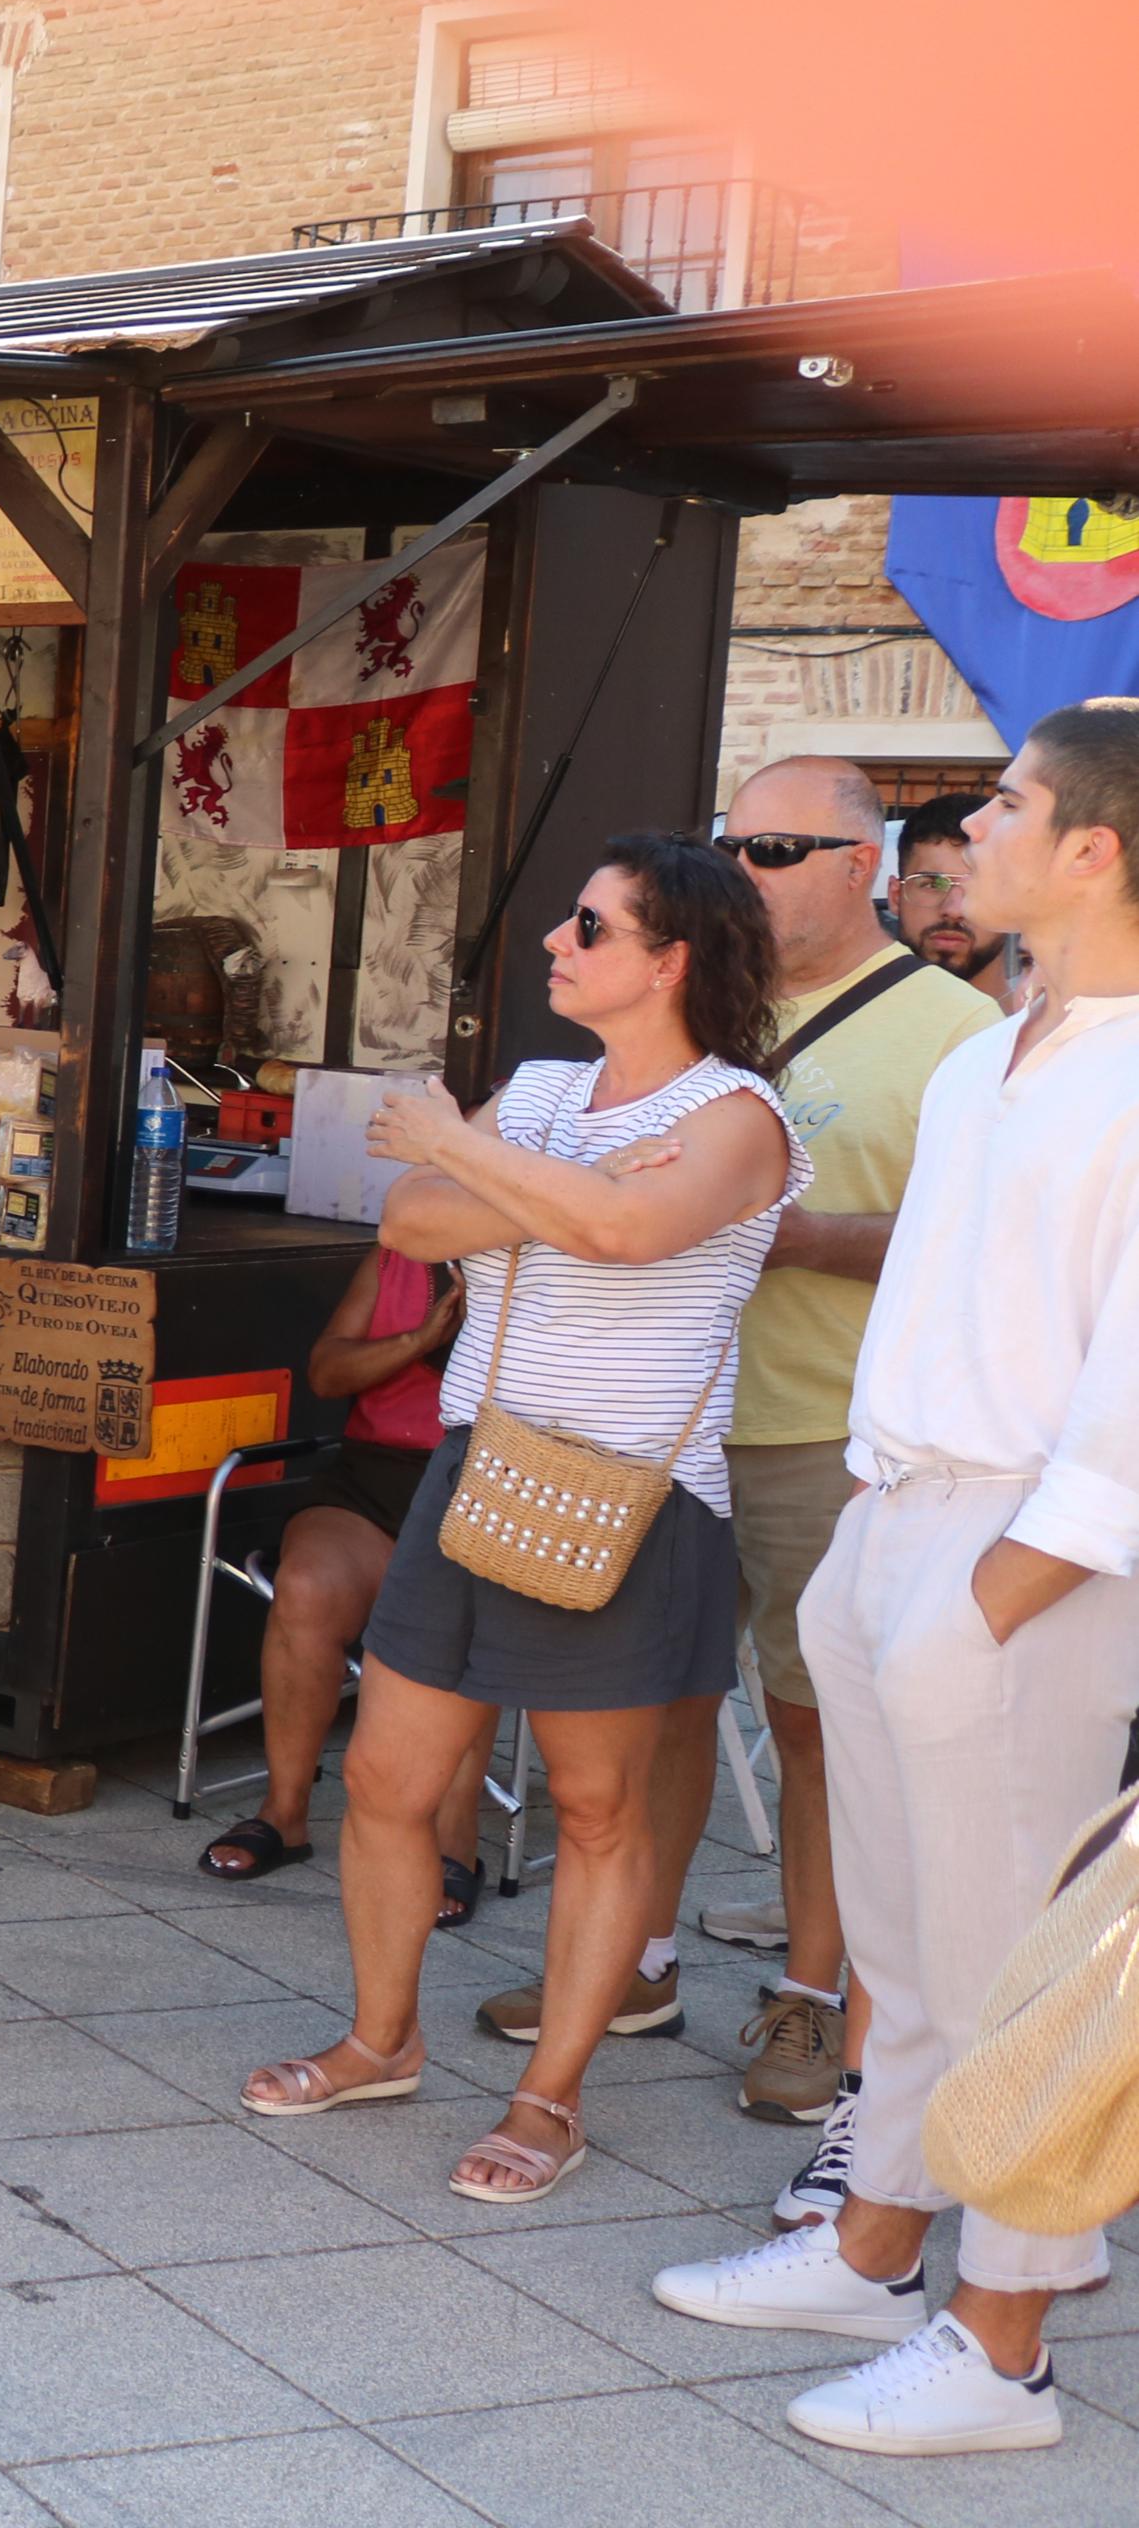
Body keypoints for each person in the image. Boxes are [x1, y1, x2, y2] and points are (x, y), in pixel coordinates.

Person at [649, 699, 1139, 2458]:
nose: (966, 833)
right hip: (895, 1512)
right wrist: (876, 1534)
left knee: (1016, 1963)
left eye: (1003, 806)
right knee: (907, 1943)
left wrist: (995, 1590)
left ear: (1089, 850)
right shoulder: (978, 1052)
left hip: (1030, 1550)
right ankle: (869, 2253)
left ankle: (1001, 2344)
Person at [243, 835, 805, 2213]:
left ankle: (546, 2098)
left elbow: (624, 1233)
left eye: (588, 926)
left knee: (598, 1807)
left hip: (628, 1497)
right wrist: (541, 1185)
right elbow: (415, 1223)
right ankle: (380, 2039)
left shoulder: (740, 1114)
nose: (555, 942)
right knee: (383, 1781)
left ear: (667, 960)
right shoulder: (548, 1086)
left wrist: (467, 1152)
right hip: (475, 1467)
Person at [487, 765, 990, 2129]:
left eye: (772, 845)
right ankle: (633, 1960)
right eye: (728, 843)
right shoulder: (709, 1008)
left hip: (817, 1425)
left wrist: (781, 1230)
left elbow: (974, 1249)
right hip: (655, 1423)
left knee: (813, 1724)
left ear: (859, 864)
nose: (742, 867)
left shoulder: (959, 1028)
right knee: (648, 1703)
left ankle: (812, 1997)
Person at [196, 1248, 496, 1930]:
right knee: (305, 1587)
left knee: (462, 1608)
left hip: (484, 1479)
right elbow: (328, 1373)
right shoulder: (394, 1259)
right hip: (372, 1474)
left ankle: (455, 1838)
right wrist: (419, 1339)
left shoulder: (544, 1256)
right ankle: (285, 1813)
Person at [888, 793, 1018, 1012]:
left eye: (977, 885)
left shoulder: (1045, 1032)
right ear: (895, 896)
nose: (953, 910)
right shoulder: (850, 1020)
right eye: (932, 884)